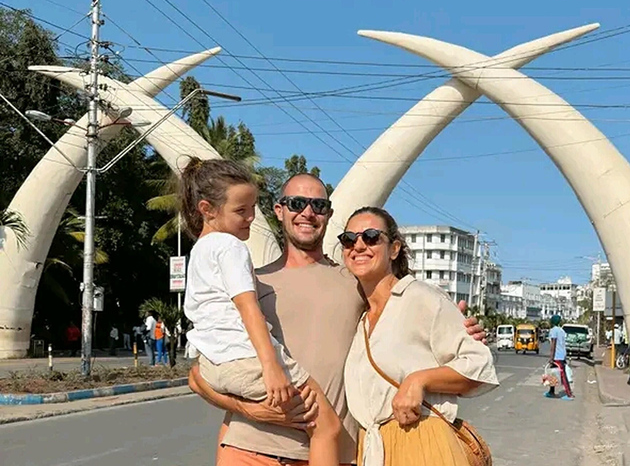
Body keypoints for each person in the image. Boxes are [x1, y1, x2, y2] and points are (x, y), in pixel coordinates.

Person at [187, 172, 485, 466]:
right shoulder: (249, 284)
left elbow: (407, 316)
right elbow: (200, 374)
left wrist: (460, 329)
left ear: (328, 214)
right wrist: (249, 410)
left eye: (317, 205)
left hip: (336, 453)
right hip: (251, 450)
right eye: (296, 203)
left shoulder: (355, 282)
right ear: (279, 210)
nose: (307, 213)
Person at [180, 157, 340, 466]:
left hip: (217, 363)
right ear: (207, 209)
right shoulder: (231, 248)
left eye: (253, 208)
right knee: (327, 425)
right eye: (241, 211)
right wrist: (271, 366)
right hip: (249, 360)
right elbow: (247, 306)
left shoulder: (199, 252)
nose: (251, 218)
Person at [341, 207, 498, 466]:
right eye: (349, 239)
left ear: (394, 249)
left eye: (370, 236)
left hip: (423, 444)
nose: (358, 245)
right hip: (374, 448)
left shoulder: (421, 297)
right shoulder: (360, 317)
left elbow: (479, 365)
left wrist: (419, 380)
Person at [546, 315, 573, 400]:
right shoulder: (562, 330)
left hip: (557, 356)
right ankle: (551, 391)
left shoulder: (553, 330)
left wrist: (551, 357)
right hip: (562, 354)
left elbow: (553, 344)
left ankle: (569, 394)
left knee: (562, 375)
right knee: (552, 374)